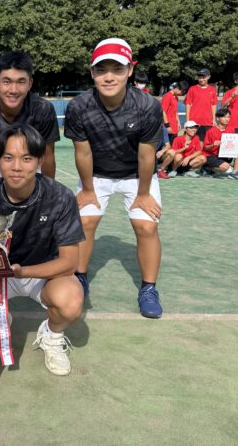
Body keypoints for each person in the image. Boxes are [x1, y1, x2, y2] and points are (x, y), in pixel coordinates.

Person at [0, 124, 85, 376]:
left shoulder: (60, 197)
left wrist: (22, 271)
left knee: (71, 301)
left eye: (26, 158)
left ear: (40, 161)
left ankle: (52, 335)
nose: (16, 166)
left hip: (43, 273)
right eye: (8, 158)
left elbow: (69, 262)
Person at [64, 38, 165, 319]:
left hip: (137, 175)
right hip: (96, 174)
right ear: (92, 72)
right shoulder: (79, 106)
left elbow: (147, 155)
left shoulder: (147, 106)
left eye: (117, 69)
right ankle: (79, 278)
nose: (109, 77)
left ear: (130, 71)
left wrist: (143, 194)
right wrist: (87, 189)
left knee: (146, 227)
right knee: (84, 223)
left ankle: (148, 288)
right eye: (101, 70)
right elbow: (83, 152)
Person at [0, 51, 60, 218]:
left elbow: (48, 155)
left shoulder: (43, 109)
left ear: (30, 83)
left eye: (21, 82)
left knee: (34, 212)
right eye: (6, 82)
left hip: (27, 164)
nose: (13, 90)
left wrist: (49, 193)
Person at [202, 108, 238, 179]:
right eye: (224, 117)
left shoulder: (231, 129)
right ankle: (207, 168)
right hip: (211, 156)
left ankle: (234, 172)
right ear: (218, 118)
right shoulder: (211, 131)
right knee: (225, 167)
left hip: (225, 154)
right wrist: (213, 145)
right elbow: (205, 148)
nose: (227, 119)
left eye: (228, 117)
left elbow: (232, 144)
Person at [185, 68, 218, 142]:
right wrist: (187, 120)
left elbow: (213, 105)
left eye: (204, 77)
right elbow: (188, 104)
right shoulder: (192, 89)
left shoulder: (212, 90)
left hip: (208, 121)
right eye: (200, 77)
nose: (201, 79)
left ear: (208, 77)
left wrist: (213, 119)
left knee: (207, 142)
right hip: (194, 121)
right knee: (194, 142)